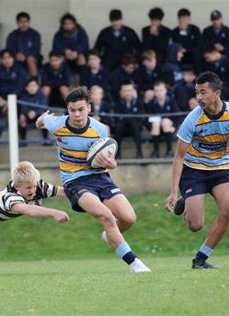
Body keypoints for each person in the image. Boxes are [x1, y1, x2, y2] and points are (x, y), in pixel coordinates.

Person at [35, 86, 150, 273]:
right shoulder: (57, 124)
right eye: (72, 110)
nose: (77, 114)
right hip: (74, 182)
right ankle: (134, 263)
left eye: (81, 109)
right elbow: (40, 122)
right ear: (68, 110)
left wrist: (112, 164)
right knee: (107, 216)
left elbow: (106, 161)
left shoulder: (100, 129)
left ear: (89, 107)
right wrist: (40, 120)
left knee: (128, 219)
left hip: (100, 177)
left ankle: (110, 235)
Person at [165, 71, 229, 269]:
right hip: (194, 171)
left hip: (223, 170)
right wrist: (174, 191)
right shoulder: (192, 119)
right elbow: (179, 156)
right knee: (195, 226)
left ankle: (200, 259)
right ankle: (186, 200)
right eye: (197, 93)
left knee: (228, 211)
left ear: (216, 93)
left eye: (203, 92)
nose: (199, 98)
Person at [145, 81, 179, 158]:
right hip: (156, 130)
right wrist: (150, 129)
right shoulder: (152, 103)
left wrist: (174, 126)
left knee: (165, 121)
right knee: (156, 122)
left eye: (161, 90)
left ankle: (169, 150)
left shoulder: (171, 101)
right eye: (156, 90)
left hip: (168, 129)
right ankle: (156, 151)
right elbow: (147, 118)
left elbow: (178, 116)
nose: (159, 92)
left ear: (165, 90)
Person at [0, 49, 27, 115]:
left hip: (16, 97)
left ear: (13, 58)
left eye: (9, 57)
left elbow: (20, 86)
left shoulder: (20, 69)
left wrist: (9, 102)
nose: (7, 60)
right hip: (1, 97)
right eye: (4, 58)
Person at [113, 80, 144, 159]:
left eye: (129, 90)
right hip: (122, 128)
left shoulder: (138, 102)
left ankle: (139, 153)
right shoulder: (118, 103)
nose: (127, 93)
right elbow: (116, 118)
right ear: (121, 92)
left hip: (135, 128)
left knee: (134, 124)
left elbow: (141, 117)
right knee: (118, 126)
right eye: (125, 91)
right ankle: (117, 154)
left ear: (133, 91)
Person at [6, 12, 42, 78]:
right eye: (21, 22)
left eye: (26, 21)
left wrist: (25, 55)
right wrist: (16, 54)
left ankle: (34, 82)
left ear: (29, 22)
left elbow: (37, 50)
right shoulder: (12, 35)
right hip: (16, 58)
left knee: (30, 59)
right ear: (17, 23)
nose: (24, 24)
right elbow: (9, 49)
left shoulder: (35, 34)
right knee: (7, 59)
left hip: (32, 58)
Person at [171, 8, 203, 75]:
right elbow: (176, 44)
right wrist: (182, 32)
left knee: (197, 51)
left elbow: (198, 43)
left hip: (192, 53)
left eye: (186, 19)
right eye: (182, 19)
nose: (184, 21)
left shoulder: (195, 29)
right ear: (179, 19)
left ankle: (197, 75)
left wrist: (186, 49)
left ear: (189, 19)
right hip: (181, 54)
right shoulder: (175, 31)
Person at [18, 78, 50, 145]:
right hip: (27, 116)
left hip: (38, 116)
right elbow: (22, 107)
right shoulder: (23, 96)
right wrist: (28, 112)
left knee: (45, 116)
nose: (32, 88)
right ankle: (23, 140)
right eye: (30, 86)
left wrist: (35, 112)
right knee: (21, 117)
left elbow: (44, 107)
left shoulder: (42, 95)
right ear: (26, 88)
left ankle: (46, 139)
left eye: (34, 86)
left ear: (38, 87)